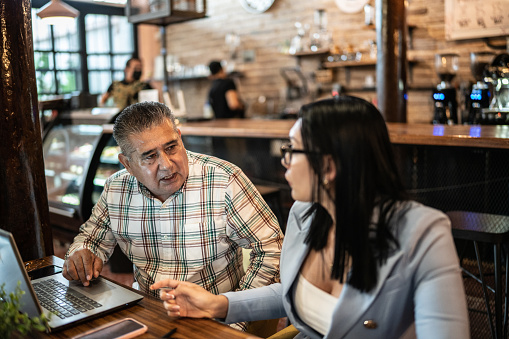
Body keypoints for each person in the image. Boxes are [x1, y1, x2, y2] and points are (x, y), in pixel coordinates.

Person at [151, 96, 470, 338]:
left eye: (292, 149)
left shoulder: (423, 232)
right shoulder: (305, 214)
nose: (284, 162)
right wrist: (217, 304)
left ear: (328, 167)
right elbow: (293, 290)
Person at [62, 101, 283, 304]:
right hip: (149, 311)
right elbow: (91, 240)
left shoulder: (223, 180)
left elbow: (271, 250)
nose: (167, 165)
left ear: (179, 136)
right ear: (127, 164)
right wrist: (82, 253)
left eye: (171, 147)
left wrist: (233, 311)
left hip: (213, 318)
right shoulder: (116, 189)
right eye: (150, 156)